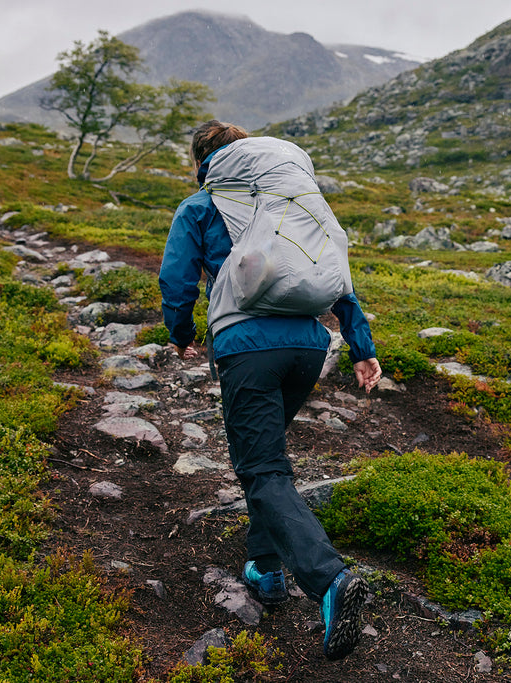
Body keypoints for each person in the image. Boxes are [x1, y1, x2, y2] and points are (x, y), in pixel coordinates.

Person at [159, 120, 382, 660]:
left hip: (248, 347)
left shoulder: (202, 205)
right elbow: (339, 279)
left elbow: (175, 277)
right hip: (309, 346)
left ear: (204, 161)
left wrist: (182, 333)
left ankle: (329, 579)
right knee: (269, 458)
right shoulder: (295, 203)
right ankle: (265, 569)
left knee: (260, 470)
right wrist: (361, 347)